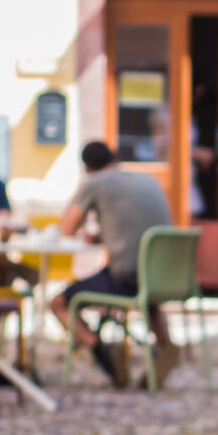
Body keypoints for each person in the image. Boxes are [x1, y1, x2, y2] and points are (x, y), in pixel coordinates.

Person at [52, 139, 177, 386]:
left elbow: (66, 229)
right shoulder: (149, 179)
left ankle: (101, 349)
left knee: (58, 303)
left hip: (128, 277)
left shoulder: (95, 183)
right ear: (114, 158)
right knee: (147, 297)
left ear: (88, 168)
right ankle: (165, 347)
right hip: (165, 276)